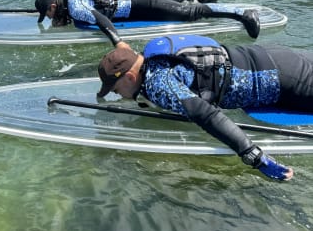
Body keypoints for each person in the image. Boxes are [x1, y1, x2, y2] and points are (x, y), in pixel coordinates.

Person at [94, 30, 313, 181]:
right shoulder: (151, 53)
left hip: (278, 80)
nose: (118, 95)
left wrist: (253, 156)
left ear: (131, 78)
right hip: (271, 54)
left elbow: (205, 114)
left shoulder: (157, 84)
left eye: (115, 90)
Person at [34, 0, 261, 45]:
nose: (51, 19)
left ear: (53, 6)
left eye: (49, 14)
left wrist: (118, 42)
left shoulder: (75, 6)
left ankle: (243, 13)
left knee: (187, 13)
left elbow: (102, 20)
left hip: (140, 6)